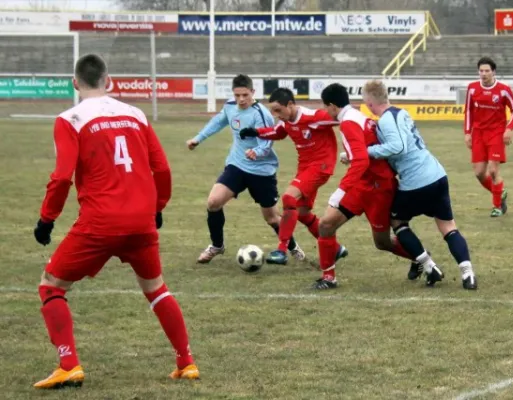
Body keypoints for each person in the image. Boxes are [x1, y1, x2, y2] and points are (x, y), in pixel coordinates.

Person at [32, 54, 199, 389]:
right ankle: (186, 362)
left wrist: (47, 219)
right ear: (109, 81)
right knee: (155, 289)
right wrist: (158, 206)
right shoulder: (136, 114)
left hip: (100, 222)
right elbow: (162, 168)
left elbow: (62, 176)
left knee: (51, 285)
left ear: (75, 83)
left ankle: (69, 365)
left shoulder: (70, 119)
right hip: (141, 220)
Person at [362, 80, 478, 290]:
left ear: (369, 103)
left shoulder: (386, 120)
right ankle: (467, 273)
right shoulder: (401, 112)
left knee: (397, 222)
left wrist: (367, 152)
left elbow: (398, 147)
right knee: (448, 227)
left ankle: (428, 265)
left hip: (416, 181)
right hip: (437, 175)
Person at [312, 83, 429, 290]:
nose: (325, 111)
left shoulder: (348, 123)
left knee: (382, 242)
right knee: (326, 225)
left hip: (377, 188)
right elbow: (366, 150)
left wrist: (340, 190)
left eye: (325, 107)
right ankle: (328, 278)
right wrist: (350, 155)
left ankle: (421, 257)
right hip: (363, 184)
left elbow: (362, 161)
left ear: (331, 106)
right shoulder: (358, 116)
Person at [186, 75, 304, 263]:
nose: (241, 99)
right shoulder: (230, 106)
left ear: (253, 93)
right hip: (237, 165)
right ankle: (217, 245)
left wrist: (256, 152)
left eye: (245, 95)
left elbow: (267, 143)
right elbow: (218, 122)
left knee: (272, 218)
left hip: (261, 171)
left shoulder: (261, 113)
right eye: (237, 95)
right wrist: (198, 138)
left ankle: (293, 247)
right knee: (213, 202)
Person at [238, 87, 348, 265]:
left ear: (290, 104)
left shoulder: (314, 117)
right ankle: (335, 248)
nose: (276, 114)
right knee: (303, 213)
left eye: (278, 110)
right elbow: (278, 133)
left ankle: (281, 250)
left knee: (289, 197)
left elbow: (344, 118)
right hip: (305, 169)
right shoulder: (286, 122)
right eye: (273, 111)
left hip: (320, 167)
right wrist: (256, 132)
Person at [464, 57, 513, 217]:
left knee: (493, 170)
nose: (484, 74)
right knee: (479, 173)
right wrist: (467, 132)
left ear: (493, 72)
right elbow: (468, 111)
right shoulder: (472, 88)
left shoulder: (503, 89)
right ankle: (500, 192)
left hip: (496, 133)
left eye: (487, 71)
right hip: (478, 134)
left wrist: (509, 129)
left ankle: (497, 207)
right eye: (481, 71)